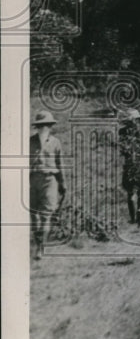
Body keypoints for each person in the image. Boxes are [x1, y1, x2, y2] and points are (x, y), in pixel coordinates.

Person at [29, 110, 66, 261]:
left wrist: (63, 183)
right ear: (37, 126)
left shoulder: (56, 142)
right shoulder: (30, 142)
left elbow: (60, 163)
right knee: (33, 215)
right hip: (32, 181)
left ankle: (40, 248)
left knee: (46, 215)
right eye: (41, 125)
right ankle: (37, 243)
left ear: (50, 126)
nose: (44, 127)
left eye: (46, 125)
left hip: (50, 180)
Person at [118, 108, 140, 227]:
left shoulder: (122, 132)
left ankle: (132, 218)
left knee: (130, 190)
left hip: (129, 163)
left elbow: (121, 149)